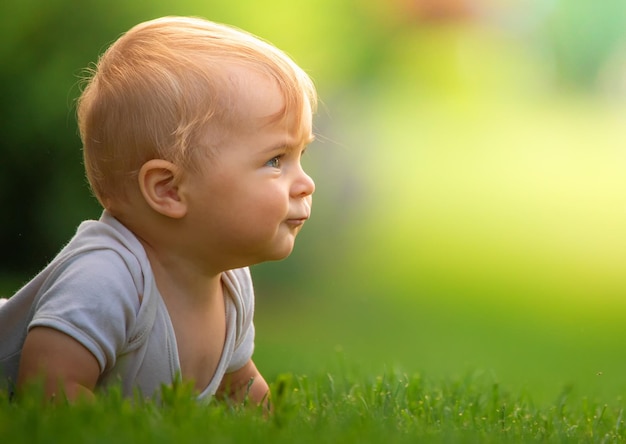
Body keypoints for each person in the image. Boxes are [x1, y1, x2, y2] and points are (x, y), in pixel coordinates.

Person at [0, 16, 317, 404]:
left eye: (301, 155)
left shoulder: (231, 283)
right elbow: (48, 388)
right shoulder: (106, 277)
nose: (306, 183)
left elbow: (239, 387)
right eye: (275, 160)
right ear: (169, 189)